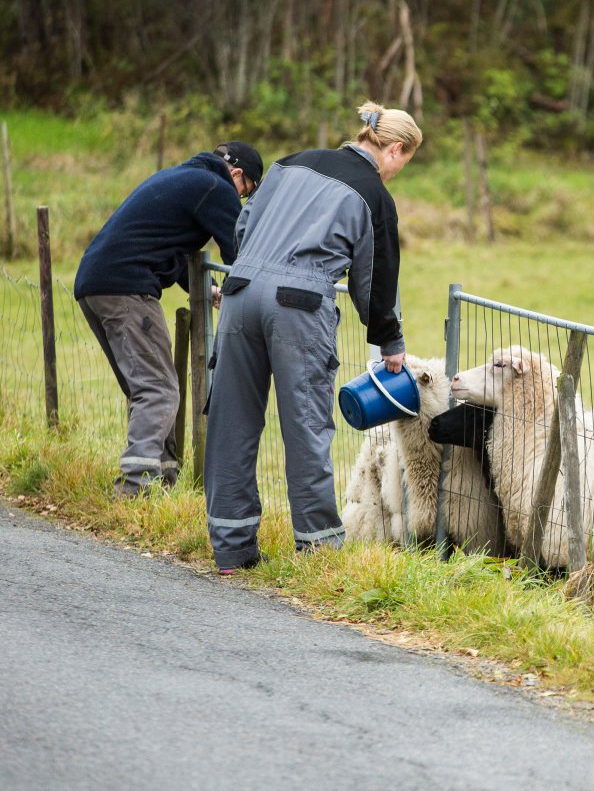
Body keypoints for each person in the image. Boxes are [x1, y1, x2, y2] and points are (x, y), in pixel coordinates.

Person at [204, 101, 421, 574]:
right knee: (305, 425)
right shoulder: (373, 195)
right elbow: (375, 281)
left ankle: (232, 550)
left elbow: (243, 227)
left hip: (239, 294)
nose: (398, 172)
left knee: (232, 421)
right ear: (395, 150)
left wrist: (255, 269)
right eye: (404, 163)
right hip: (297, 307)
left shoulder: (290, 161)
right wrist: (390, 343)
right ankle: (319, 554)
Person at [74, 141, 263, 497]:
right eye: (246, 192)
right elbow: (239, 250)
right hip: (126, 288)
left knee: (144, 387)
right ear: (236, 174)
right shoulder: (216, 188)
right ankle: (135, 489)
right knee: (157, 389)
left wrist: (208, 290)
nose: (240, 199)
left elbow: (171, 249)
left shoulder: (183, 177)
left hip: (95, 284)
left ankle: (162, 480)